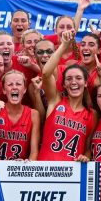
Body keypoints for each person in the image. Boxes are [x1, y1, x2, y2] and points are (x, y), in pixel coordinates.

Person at [38, 31, 96, 162]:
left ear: (86, 83)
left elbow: (88, 147)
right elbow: (46, 73)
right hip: (46, 170)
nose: (74, 82)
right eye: (69, 78)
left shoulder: (92, 114)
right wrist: (63, 45)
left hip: (71, 175)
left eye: (78, 78)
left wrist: (86, 157)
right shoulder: (55, 101)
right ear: (64, 84)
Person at [0, 70, 40, 161]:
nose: (14, 87)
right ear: (4, 90)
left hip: (19, 169)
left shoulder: (33, 114)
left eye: (18, 84)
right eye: (10, 84)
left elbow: (34, 152)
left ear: (25, 89)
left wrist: (28, 165)